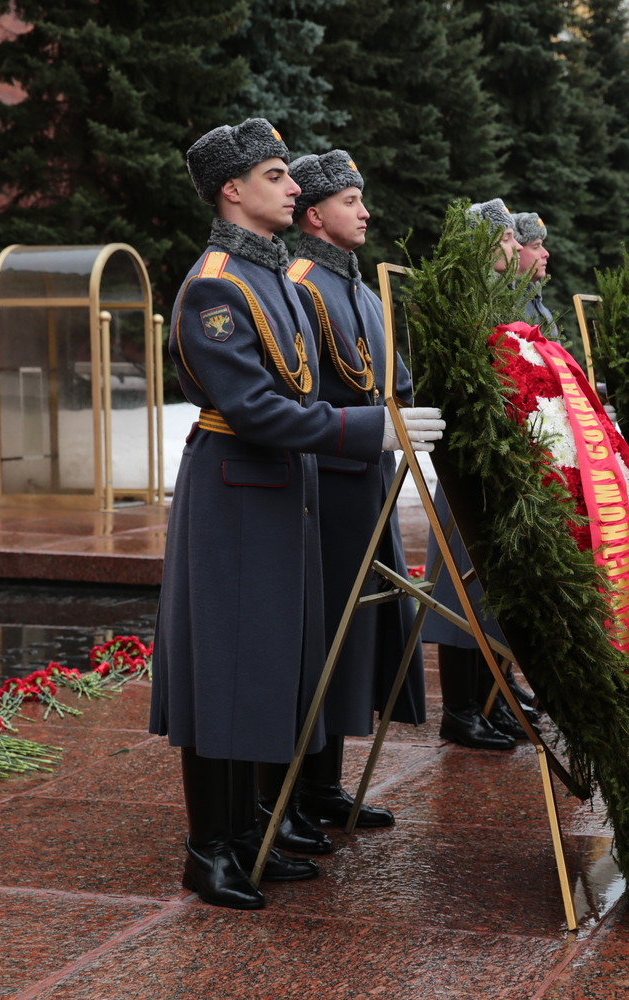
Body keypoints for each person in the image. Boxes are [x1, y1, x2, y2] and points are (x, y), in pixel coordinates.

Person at [150, 118, 444, 910]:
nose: (292, 187)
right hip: (237, 491)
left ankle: (250, 830)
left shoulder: (276, 277)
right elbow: (255, 409)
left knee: (270, 668)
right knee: (227, 672)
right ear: (232, 190)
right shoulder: (217, 283)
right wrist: (367, 429)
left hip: (282, 491)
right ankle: (209, 850)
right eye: (276, 175)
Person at [267, 149, 429, 842]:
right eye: (350, 201)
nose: (364, 212)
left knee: (353, 635)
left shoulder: (360, 290)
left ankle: (325, 784)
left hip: (364, 479)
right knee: (320, 638)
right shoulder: (299, 280)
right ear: (314, 215)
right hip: (324, 482)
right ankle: (293, 794)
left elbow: (389, 380)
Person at [421, 198, 539, 750]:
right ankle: (462, 710)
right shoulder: (466, 301)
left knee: (489, 591)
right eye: (512, 240)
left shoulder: (501, 300)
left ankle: (491, 699)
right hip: (467, 462)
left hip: (498, 459)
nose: (520, 249)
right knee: (461, 586)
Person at [510, 210, 558, 340]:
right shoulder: (506, 307)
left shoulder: (539, 306)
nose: (546, 253)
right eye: (536, 246)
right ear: (515, 250)